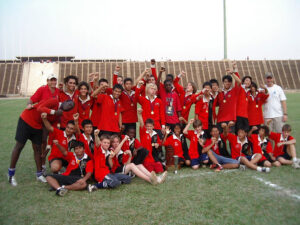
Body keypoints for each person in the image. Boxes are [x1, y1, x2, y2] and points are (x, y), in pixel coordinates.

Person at [7, 98, 74, 186]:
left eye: (70, 108)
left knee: (38, 149)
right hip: (26, 120)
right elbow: (40, 108)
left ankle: (39, 174)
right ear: (65, 101)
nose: (68, 107)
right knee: (19, 146)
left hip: (37, 126)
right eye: (69, 104)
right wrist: (54, 112)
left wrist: (48, 147)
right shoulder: (54, 101)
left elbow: (52, 129)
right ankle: (11, 174)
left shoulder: (59, 115)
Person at [213, 68, 241, 132]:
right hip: (220, 119)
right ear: (223, 83)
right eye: (225, 81)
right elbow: (215, 104)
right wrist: (216, 92)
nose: (227, 83)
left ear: (231, 83)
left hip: (230, 119)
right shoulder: (220, 92)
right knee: (219, 138)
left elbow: (239, 82)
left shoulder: (234, 91)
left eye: (229, 82)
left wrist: (232, 73)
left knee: (230, 138)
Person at [137, 109, 165, 173]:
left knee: (160, 170)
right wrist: (140, 115)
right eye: (147, 126)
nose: (149, 128)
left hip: (154, 156)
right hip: (146, 157)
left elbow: (159, 143)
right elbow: (141, 124)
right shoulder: (143, 133)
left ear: (153, 126)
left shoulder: (155, 134)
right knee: (151, 171)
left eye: (150, 126)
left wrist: (158, 144)